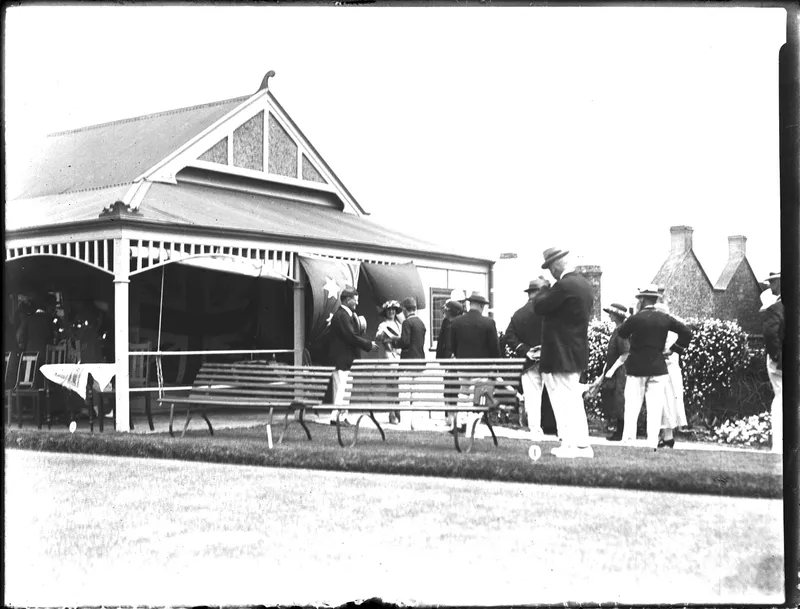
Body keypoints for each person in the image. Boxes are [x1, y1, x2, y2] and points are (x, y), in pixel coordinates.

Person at [533, 248, 595, 458]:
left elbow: (539, 306)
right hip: (575, 350)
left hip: (561, 352)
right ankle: (582, 445)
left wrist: (543, 288)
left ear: (556, 265)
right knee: (573, 398)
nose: (550, 272)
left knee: (564, 401)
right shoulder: (584, 285)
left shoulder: (563, 286)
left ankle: (570, 446)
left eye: (550, 267)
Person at [617, 284, 692, 449]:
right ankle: (652, 443)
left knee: (632, 406)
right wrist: (674, 349)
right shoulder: (664, 318)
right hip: (658, 366)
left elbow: (622, 332)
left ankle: (628, 440)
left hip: (637, 367)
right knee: (655, 408)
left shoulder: (636, 318)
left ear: (642, 300)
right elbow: (687, 332)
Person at [503, 277, 550, 440]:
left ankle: (535, 431)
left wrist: (526, 350)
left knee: (532, 398)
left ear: (529, 293)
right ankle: (561, 432)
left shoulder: (518, 314)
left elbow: (509, 336)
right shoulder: (549, 312)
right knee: (556, 394)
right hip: (549, 359)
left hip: (528, 361)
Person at [450, 290, 501, 434]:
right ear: (481, 305)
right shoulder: (489, 323)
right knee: (478, 396)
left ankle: (460, 423)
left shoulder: (456, 322)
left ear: (470, 304)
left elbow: (452, 346)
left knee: (463, 393)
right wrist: (495, 365)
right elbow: (495, 348)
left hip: (462, 365)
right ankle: (472, 429)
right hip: (482, 367)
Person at [327, 287, 378, 425]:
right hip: (343, 360)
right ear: (348, 300)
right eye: (355, 300)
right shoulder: (343, 315)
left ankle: (341, 417)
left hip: (342, 360)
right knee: (342, 390)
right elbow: (351, 336)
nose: (357, 303)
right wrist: (368, 344)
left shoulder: (343, 315)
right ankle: (337, 418)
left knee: (342, 389)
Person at [587, 302, 630, 441]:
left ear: (617, 315)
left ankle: (621, 431)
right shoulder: (617, 330)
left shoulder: (622, 331)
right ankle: (617, 429)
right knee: (614, 399)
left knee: (619, 399)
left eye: (611, 313)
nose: (609, 315)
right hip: (614, 370)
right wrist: (603, 375)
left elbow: (625, 353)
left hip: (620, 371)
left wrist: (612, 370)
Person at [653, 301, 688, 448]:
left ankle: (667, 436)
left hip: (667, 370)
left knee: (666, 403)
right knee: (667, 403)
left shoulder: (666, 332)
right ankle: (666, 436)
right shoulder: (671, 331)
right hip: (670, 370)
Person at [761, 271, 783, 454]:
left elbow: (769, 333)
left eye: (774, 282)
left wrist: (777, 357)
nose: (771, 286)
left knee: (780, 400)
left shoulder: (775, 308)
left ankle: (778, 446)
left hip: (781, 364)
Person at [375, 300, 403, 424]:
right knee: (391, 385)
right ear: (385, 312)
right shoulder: (383, 325)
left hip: (398, 357)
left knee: (396, 385)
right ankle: (392, 412)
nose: (391, 312)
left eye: (393, 310)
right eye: (389, 310)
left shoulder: (399, 324)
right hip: (389, 357)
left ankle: (396, 410)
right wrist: (384, 336)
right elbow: (378, 336)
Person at [437, 299, 463, 427]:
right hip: (448, 360)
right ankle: (448, 415)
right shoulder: (446, 322)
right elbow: (441, 340)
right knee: (448, 387)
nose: (444, 312)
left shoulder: (458, 324)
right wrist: (441, 359)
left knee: (454, 388)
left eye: (446, 310)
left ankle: (453, 417)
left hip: (455, 361)